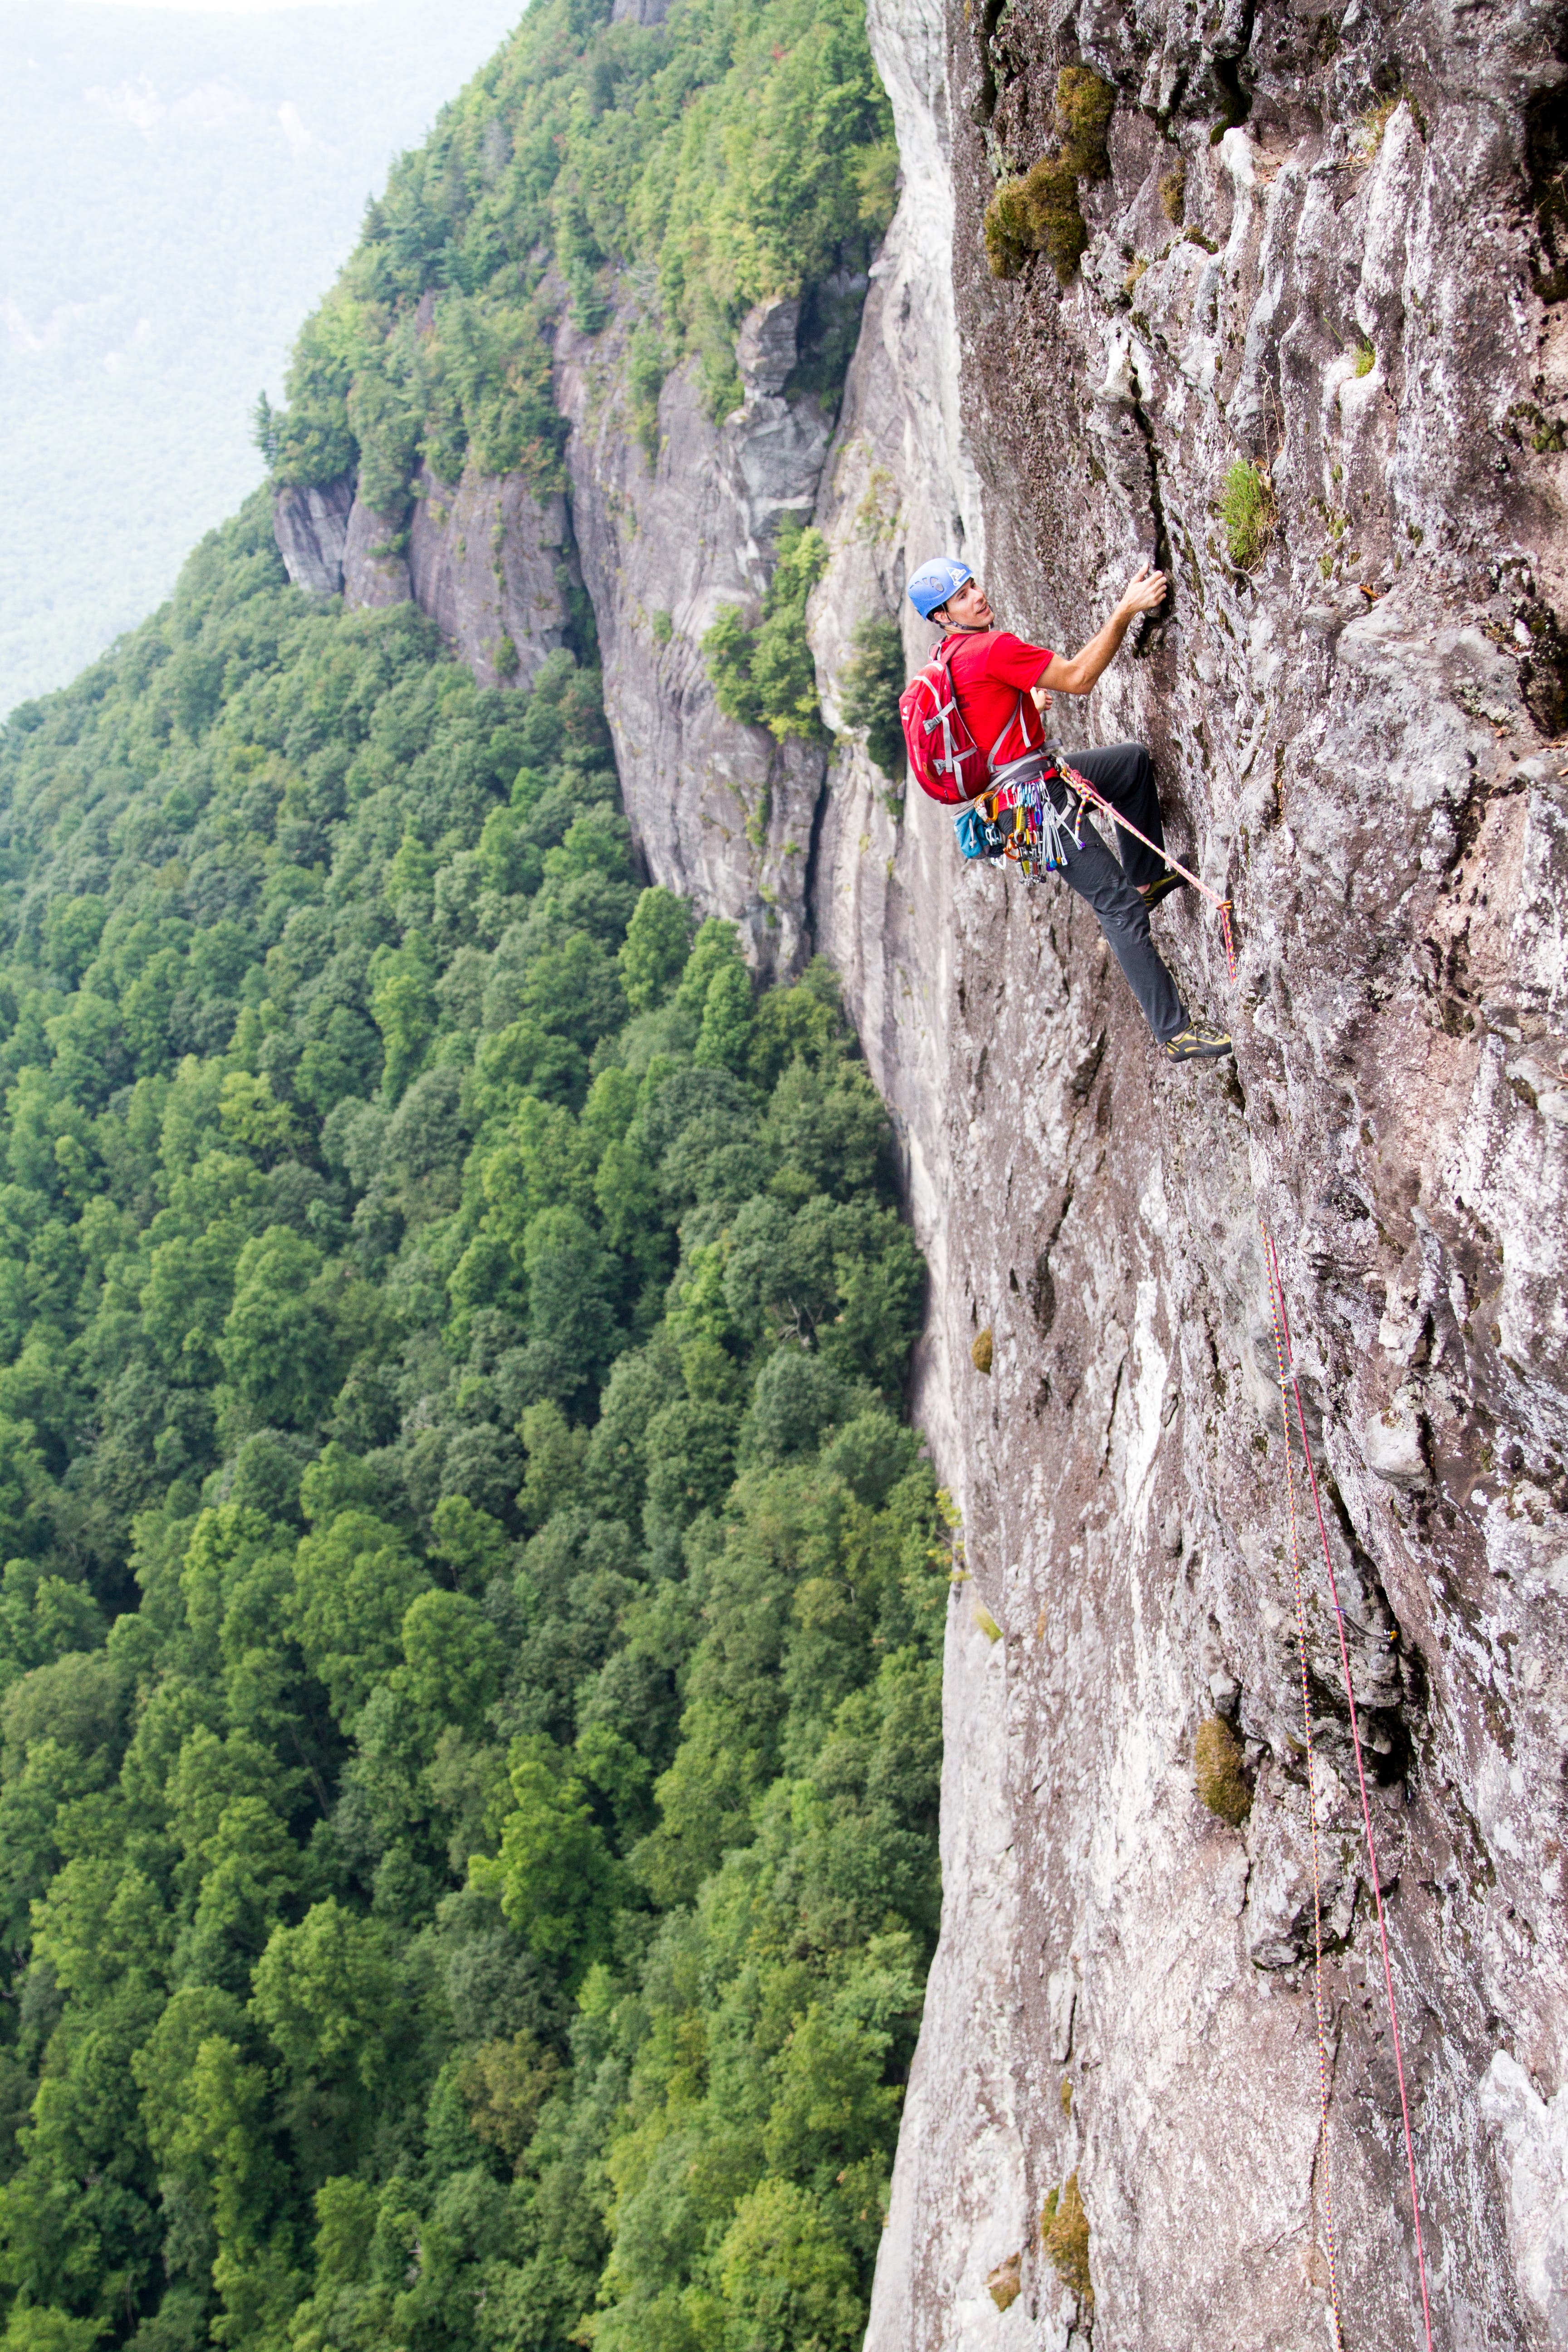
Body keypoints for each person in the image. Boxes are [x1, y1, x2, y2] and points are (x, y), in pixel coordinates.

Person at [906, 555, 1233, 1064]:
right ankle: (1175, 1032)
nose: (977, 596)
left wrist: (1026, 712)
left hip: (1016, 795)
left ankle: (1148, 879)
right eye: (961, 596)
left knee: (1130, 766)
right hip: (1042, 805)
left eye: (972, 585)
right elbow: (1080, 677)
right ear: (944, 615)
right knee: (1116, 907)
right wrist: (1124, 611)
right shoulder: (991, 648)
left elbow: (982, 723)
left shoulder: (950, 658)